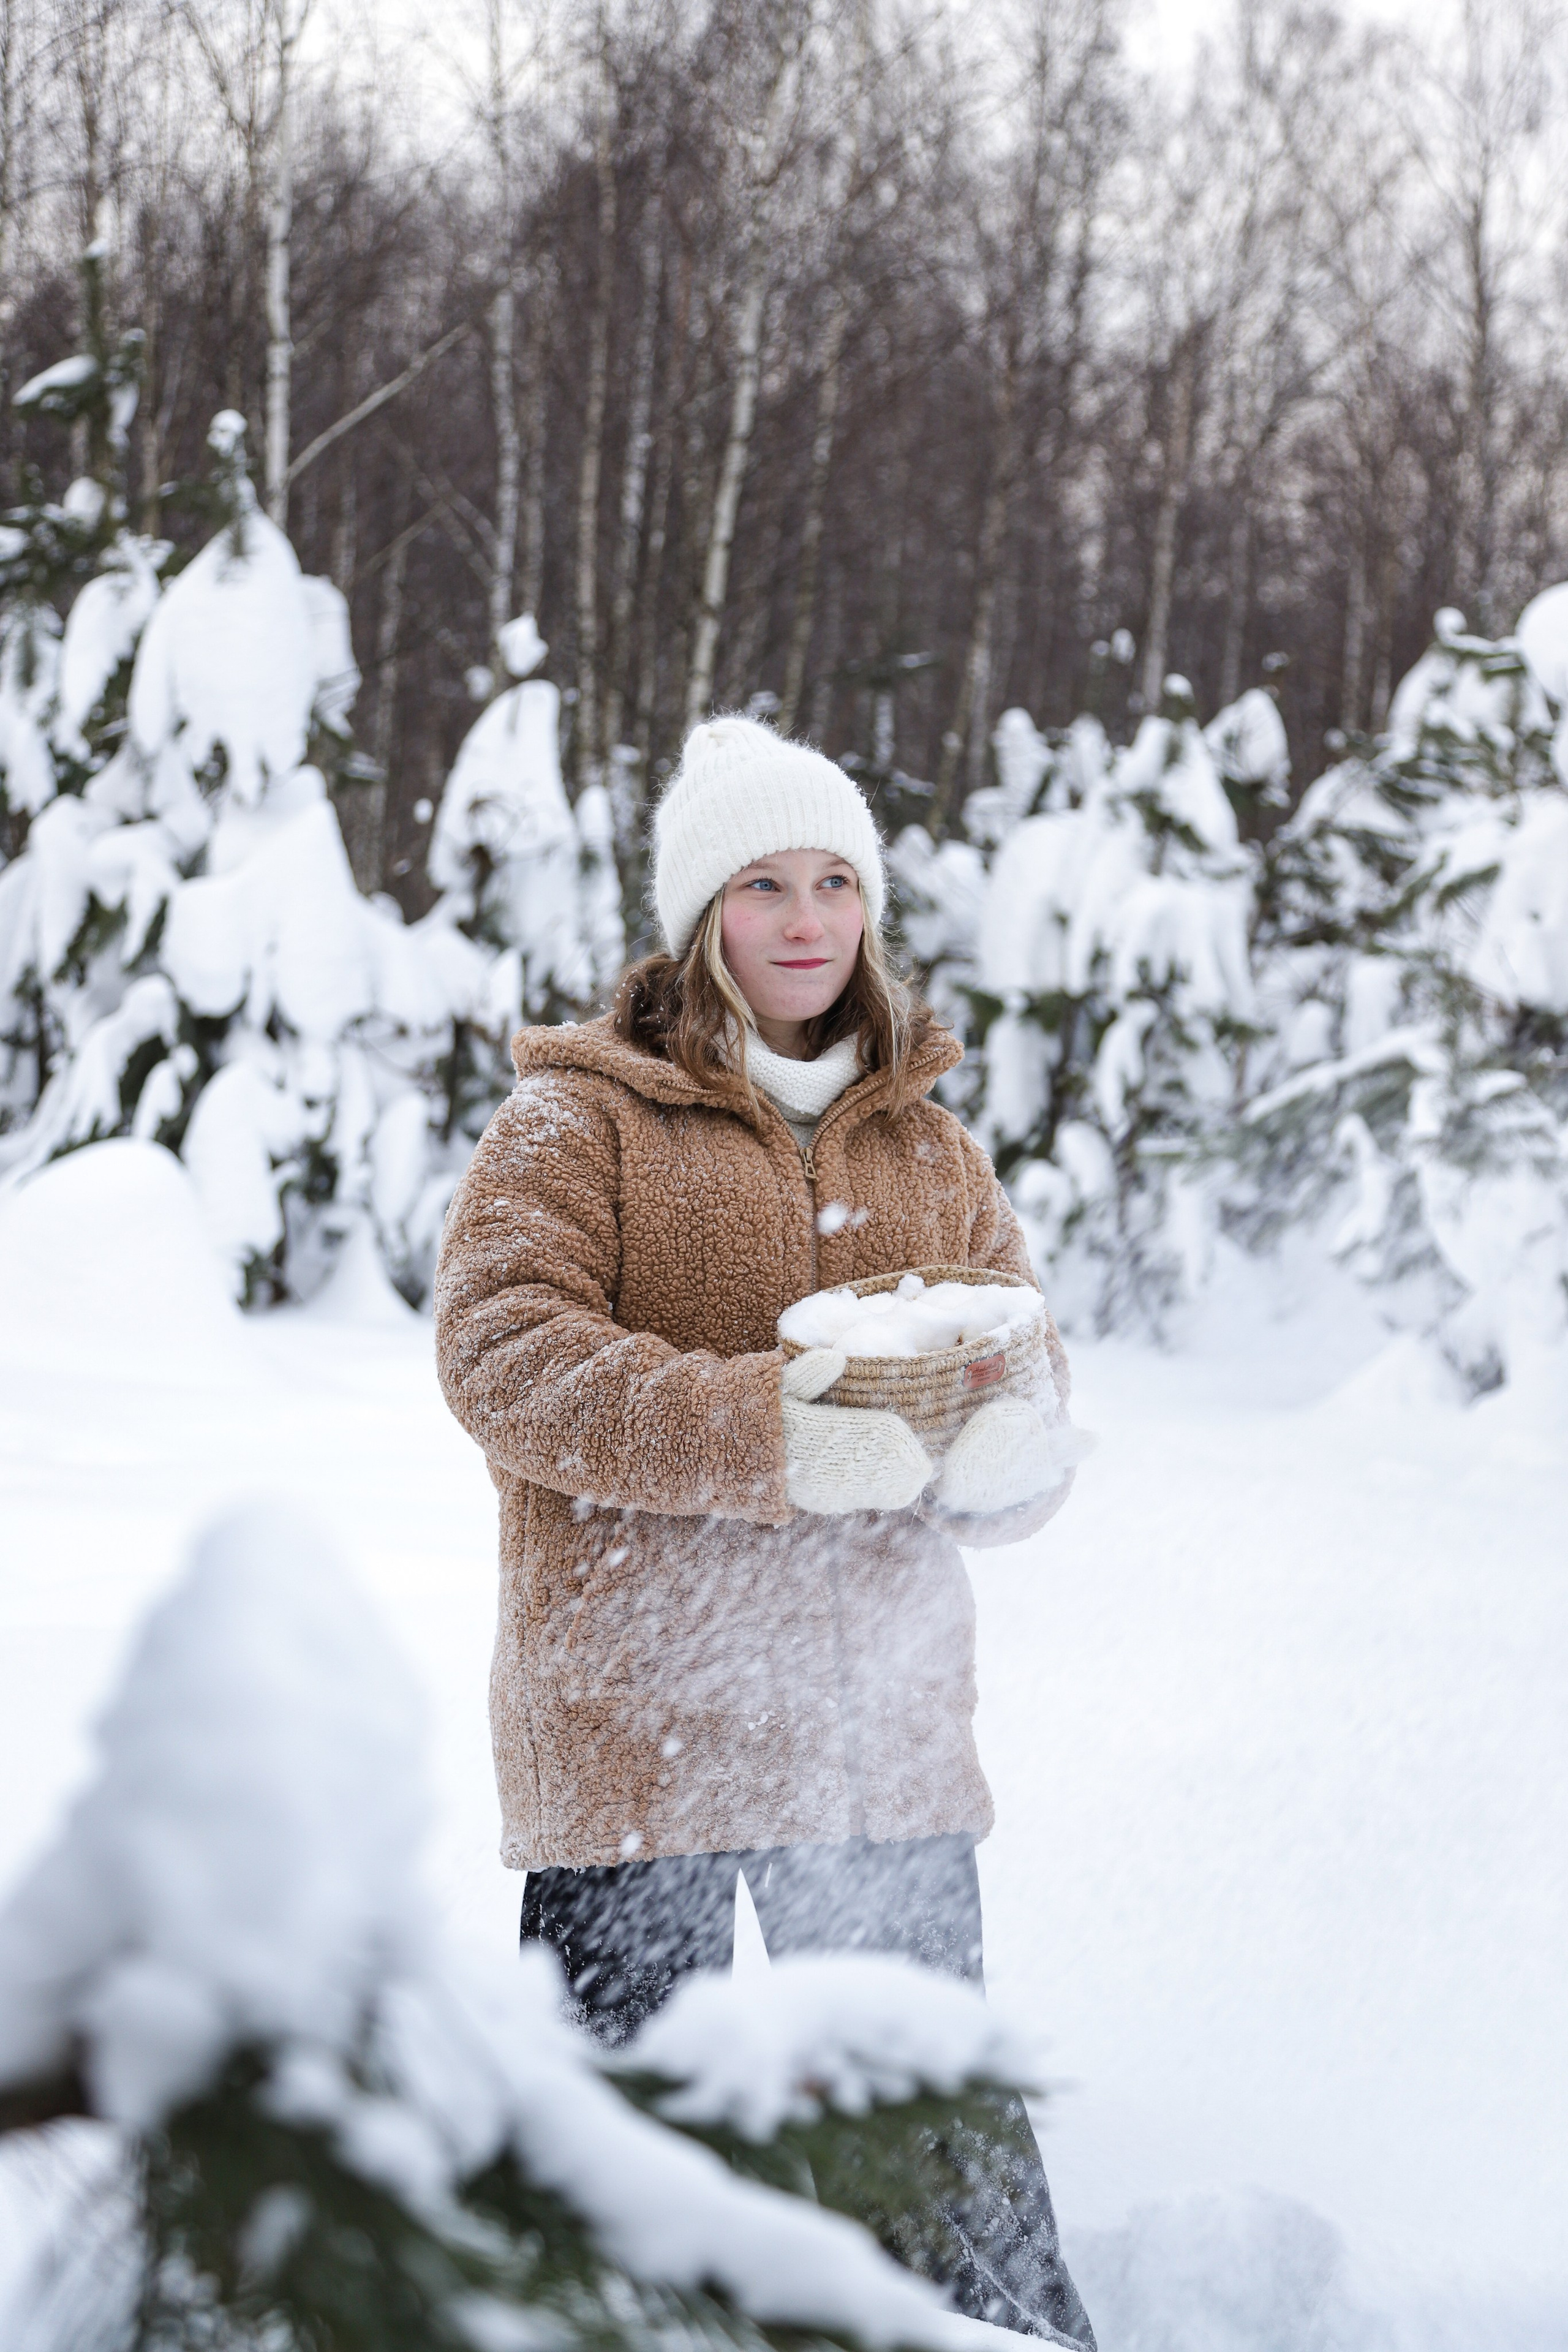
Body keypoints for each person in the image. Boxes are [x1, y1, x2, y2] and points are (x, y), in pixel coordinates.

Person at [434, 715, 1094, 2345]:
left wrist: (1010, 1447)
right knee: (618, 2187)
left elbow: (1019, 1361)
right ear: (694, 917)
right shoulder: (575, 1124)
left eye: (835, 886)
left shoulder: (924, 1137)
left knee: (944, 2183)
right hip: (636, 1729)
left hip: (873, 1745)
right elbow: (508, 1362)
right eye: (761, 885)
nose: (806, 923)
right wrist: (782, 1435)